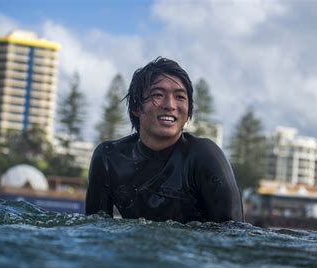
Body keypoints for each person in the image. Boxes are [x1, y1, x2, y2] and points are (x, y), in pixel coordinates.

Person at [85, 57, 243, 223]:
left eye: (180, 97)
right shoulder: (109, 159)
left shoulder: (205, 157)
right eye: (158, 94)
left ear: (189, 109)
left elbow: (234, 236)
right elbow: (95, 232)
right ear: (136, 107)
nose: (170, 105)